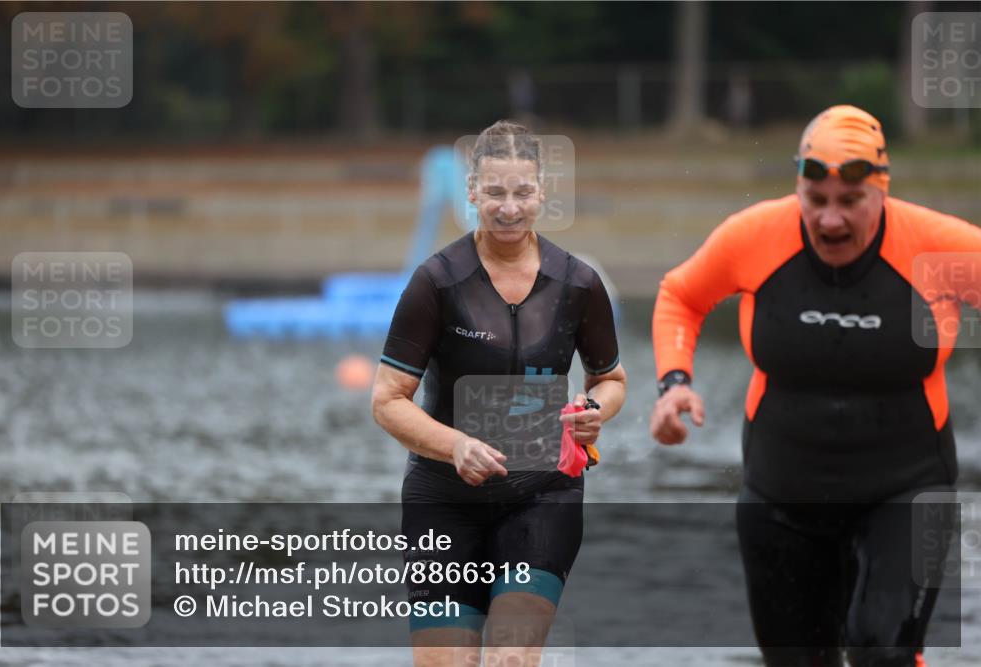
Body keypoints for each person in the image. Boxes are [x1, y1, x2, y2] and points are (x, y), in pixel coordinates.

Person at [649, 105, 981, 666]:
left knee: (882, 652)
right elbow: (681, 296)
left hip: (906, 488)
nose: (830, 220)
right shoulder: (755, 235)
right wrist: (674, 382)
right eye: (816, 200)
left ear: (882, 190)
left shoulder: (938, 247)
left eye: (850, 202)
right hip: (782, 494)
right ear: (797, 187)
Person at [372, 120, 626, 666]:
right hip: (443, 499)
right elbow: (387, 399)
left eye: (522, 192)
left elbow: (610, 379)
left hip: (544, 493)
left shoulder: (578, 283)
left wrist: (594, 410)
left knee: (509, 659)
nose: (509, 207)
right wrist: (454, 446)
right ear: (471, 193)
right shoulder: (436, 282)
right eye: (494, 193)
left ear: (543, 193)